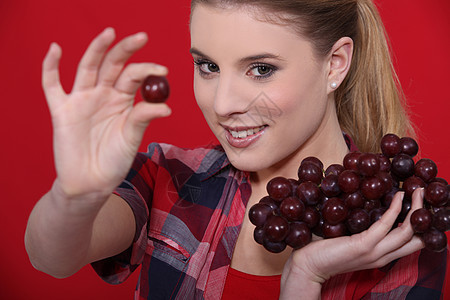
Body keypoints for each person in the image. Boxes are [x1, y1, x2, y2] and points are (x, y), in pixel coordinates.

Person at [25, 0, 447, 299]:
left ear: (334, 63)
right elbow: (52, 258)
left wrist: (305, 278)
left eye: (260, 69)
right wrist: (74, 195)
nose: (223, 103)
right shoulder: (169, 175)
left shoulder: (400, 233)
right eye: (207, 66)